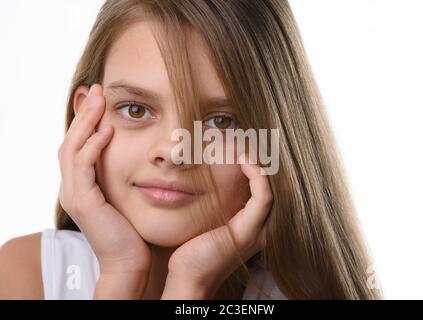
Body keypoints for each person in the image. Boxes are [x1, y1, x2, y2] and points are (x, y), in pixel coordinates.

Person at [0, 0, 382, 300]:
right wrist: (120, 275)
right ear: (87, 117)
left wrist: (189, 288)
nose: (175, 151)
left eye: (221, 122)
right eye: (136, 110)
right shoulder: (24, 277)